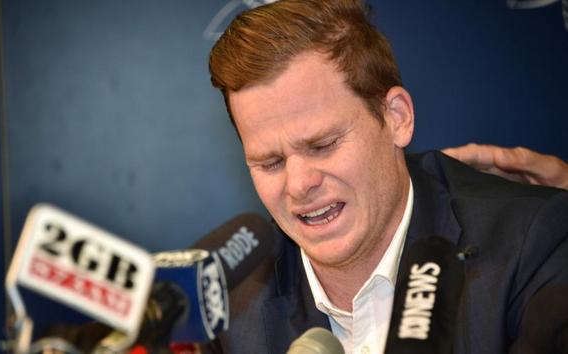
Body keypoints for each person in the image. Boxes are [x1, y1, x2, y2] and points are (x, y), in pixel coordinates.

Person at [205, 0, 568, 353]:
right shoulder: (227, 303)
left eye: (323, 145)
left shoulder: (532, 245)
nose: (299, 184)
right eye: (270, 162)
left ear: (397, 117)